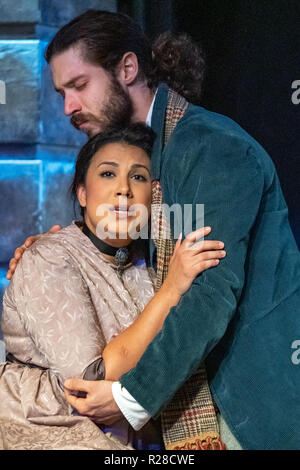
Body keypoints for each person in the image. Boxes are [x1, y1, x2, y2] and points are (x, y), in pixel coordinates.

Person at [7, 10, 300, 450]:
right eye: (62, 92)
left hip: (249, 403)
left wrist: (131, 397)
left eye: (79, 86)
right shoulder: (154, 153)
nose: (68, 108)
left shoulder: (208, 145)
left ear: (127, 69)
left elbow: (209, 288)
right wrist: (60, 246)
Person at [0, 123, 225, 450]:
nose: (124, 189)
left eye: (138, 177)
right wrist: (172, 290)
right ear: (82, 192)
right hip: (42, 424)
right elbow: (90, 379)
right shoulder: (48, 257)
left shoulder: (151, 261)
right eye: (107, 174)